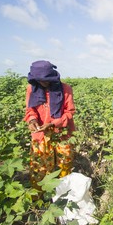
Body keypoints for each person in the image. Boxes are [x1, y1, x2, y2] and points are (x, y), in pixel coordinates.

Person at [24, 60, 76, 190]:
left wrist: (53, 123)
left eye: (46, 80)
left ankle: (64, 195)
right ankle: (39, 198)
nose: (44, 83)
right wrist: (32, 120)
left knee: (64, 164)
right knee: (39, 167)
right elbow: (30, 109)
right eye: (40, 81)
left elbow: (70, 112)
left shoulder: (65, 89)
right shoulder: (31, 89)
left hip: (62, 133)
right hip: (40, 133)